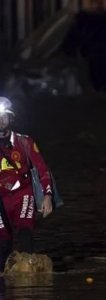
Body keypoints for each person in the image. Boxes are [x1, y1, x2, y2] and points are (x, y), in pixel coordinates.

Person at [0, 97, 55, 269]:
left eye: (3, 117)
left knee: (25, 234)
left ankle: (30, 284)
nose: (0, 121)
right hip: (1, 200)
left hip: (22, 194)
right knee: (3, 245)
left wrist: (47, 195)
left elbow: (42, 169)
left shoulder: (25, 142)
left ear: (11, 119)